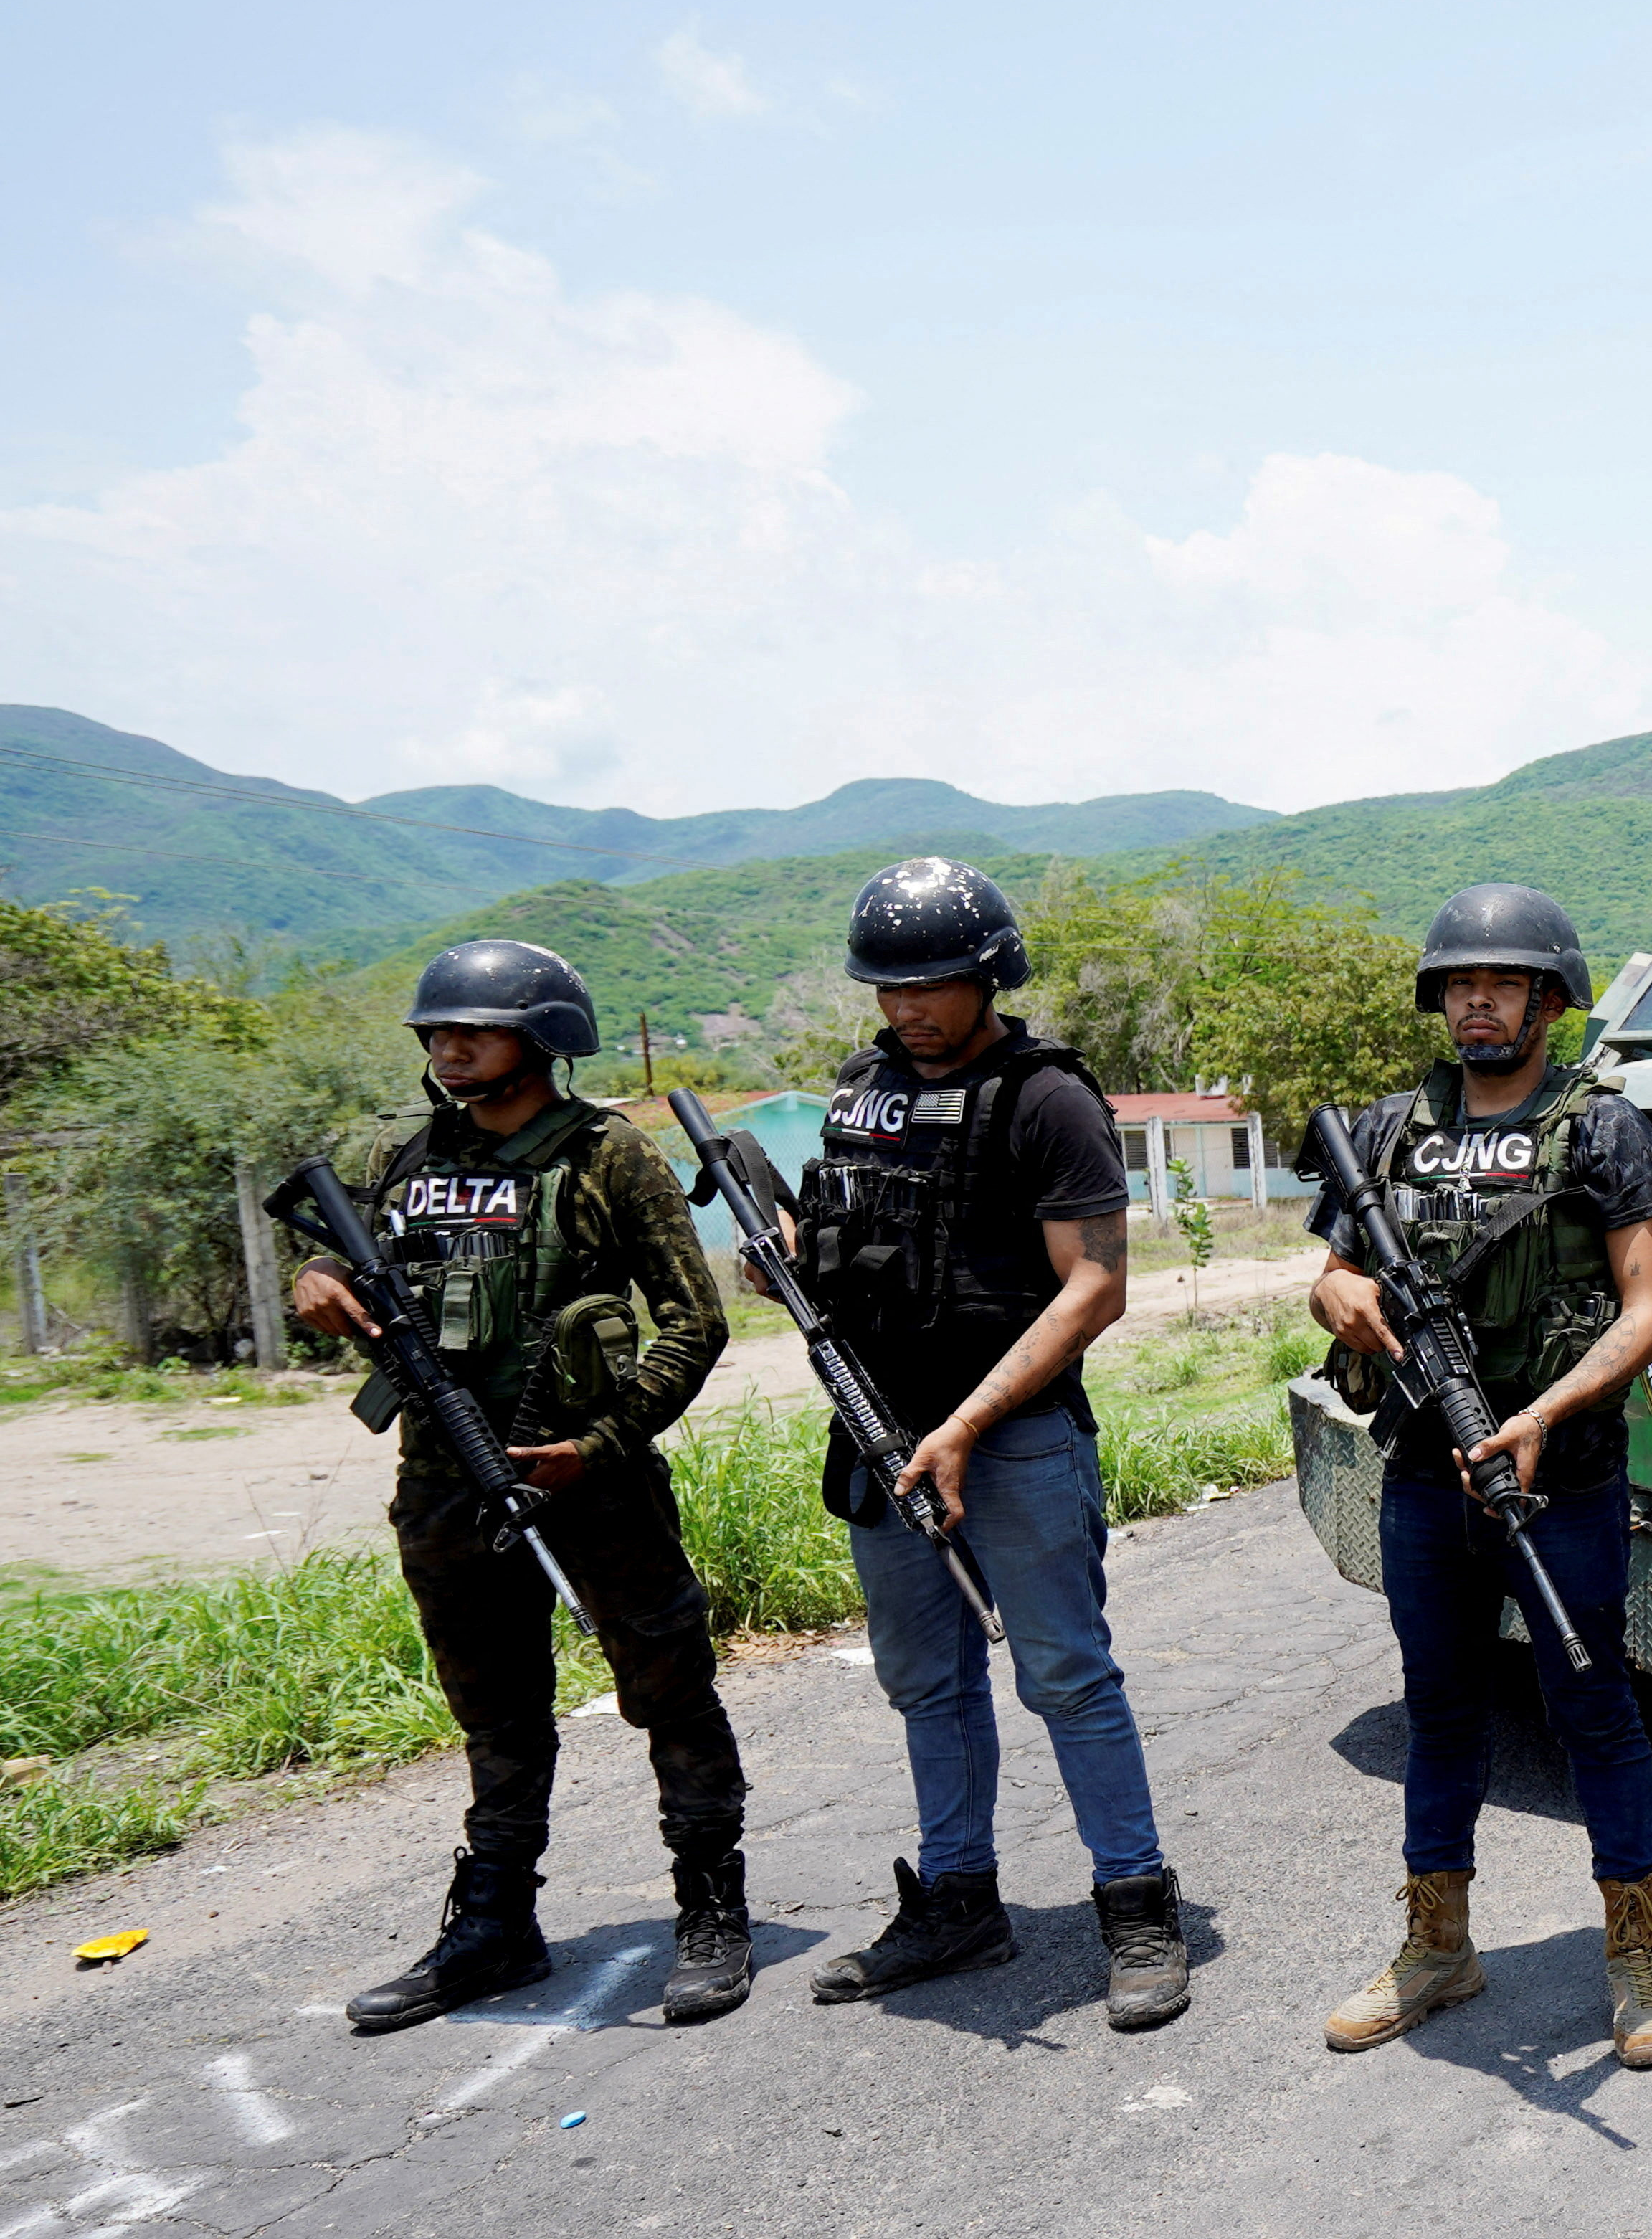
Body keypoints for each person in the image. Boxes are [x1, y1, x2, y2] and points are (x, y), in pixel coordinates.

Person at [302, 942, 753, 2030]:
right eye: (437, 1030)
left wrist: (600, 1441)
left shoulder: (607, 1154)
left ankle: (711, 1909)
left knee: (669, 1687)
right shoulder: (405, 1156)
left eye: (477, 1029)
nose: (449, 1046)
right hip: (445, 1478)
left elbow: (694, 1321)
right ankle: (496, 1923)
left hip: (590, 1478)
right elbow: (352, 1265)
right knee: (496, 1714)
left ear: (541, 1038)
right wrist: (317, 1279)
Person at [792, 858, 1189, 2030]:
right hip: (883, 1433)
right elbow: (846, 1242)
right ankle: (958, 1900)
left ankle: (1137, 1904)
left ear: (989, 975)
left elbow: (1096, 1286)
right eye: (888, 986)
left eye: (929, 984)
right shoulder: (860, 1090)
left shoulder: (1046, 1097)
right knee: (928, 1682)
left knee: (1065, 1672)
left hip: (1012, 1440)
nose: (905, 1007)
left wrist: (967, 1424)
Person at [1309, 886, 1652, 2065]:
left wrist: (1541, 1413)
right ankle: (1438, 1943)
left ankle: (1636, 1951)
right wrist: (1342, 1296)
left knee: (1592, 1705)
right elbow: (1332, 1273)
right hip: (1425, 1476)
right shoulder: (1389, 1129)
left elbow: (1650, 1308)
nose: (1477, 1002)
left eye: (1502, 983)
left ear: (1549, 1000)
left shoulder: (1604, 1129)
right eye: (1460, 984)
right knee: (1441, 1708)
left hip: (1558, 1477)